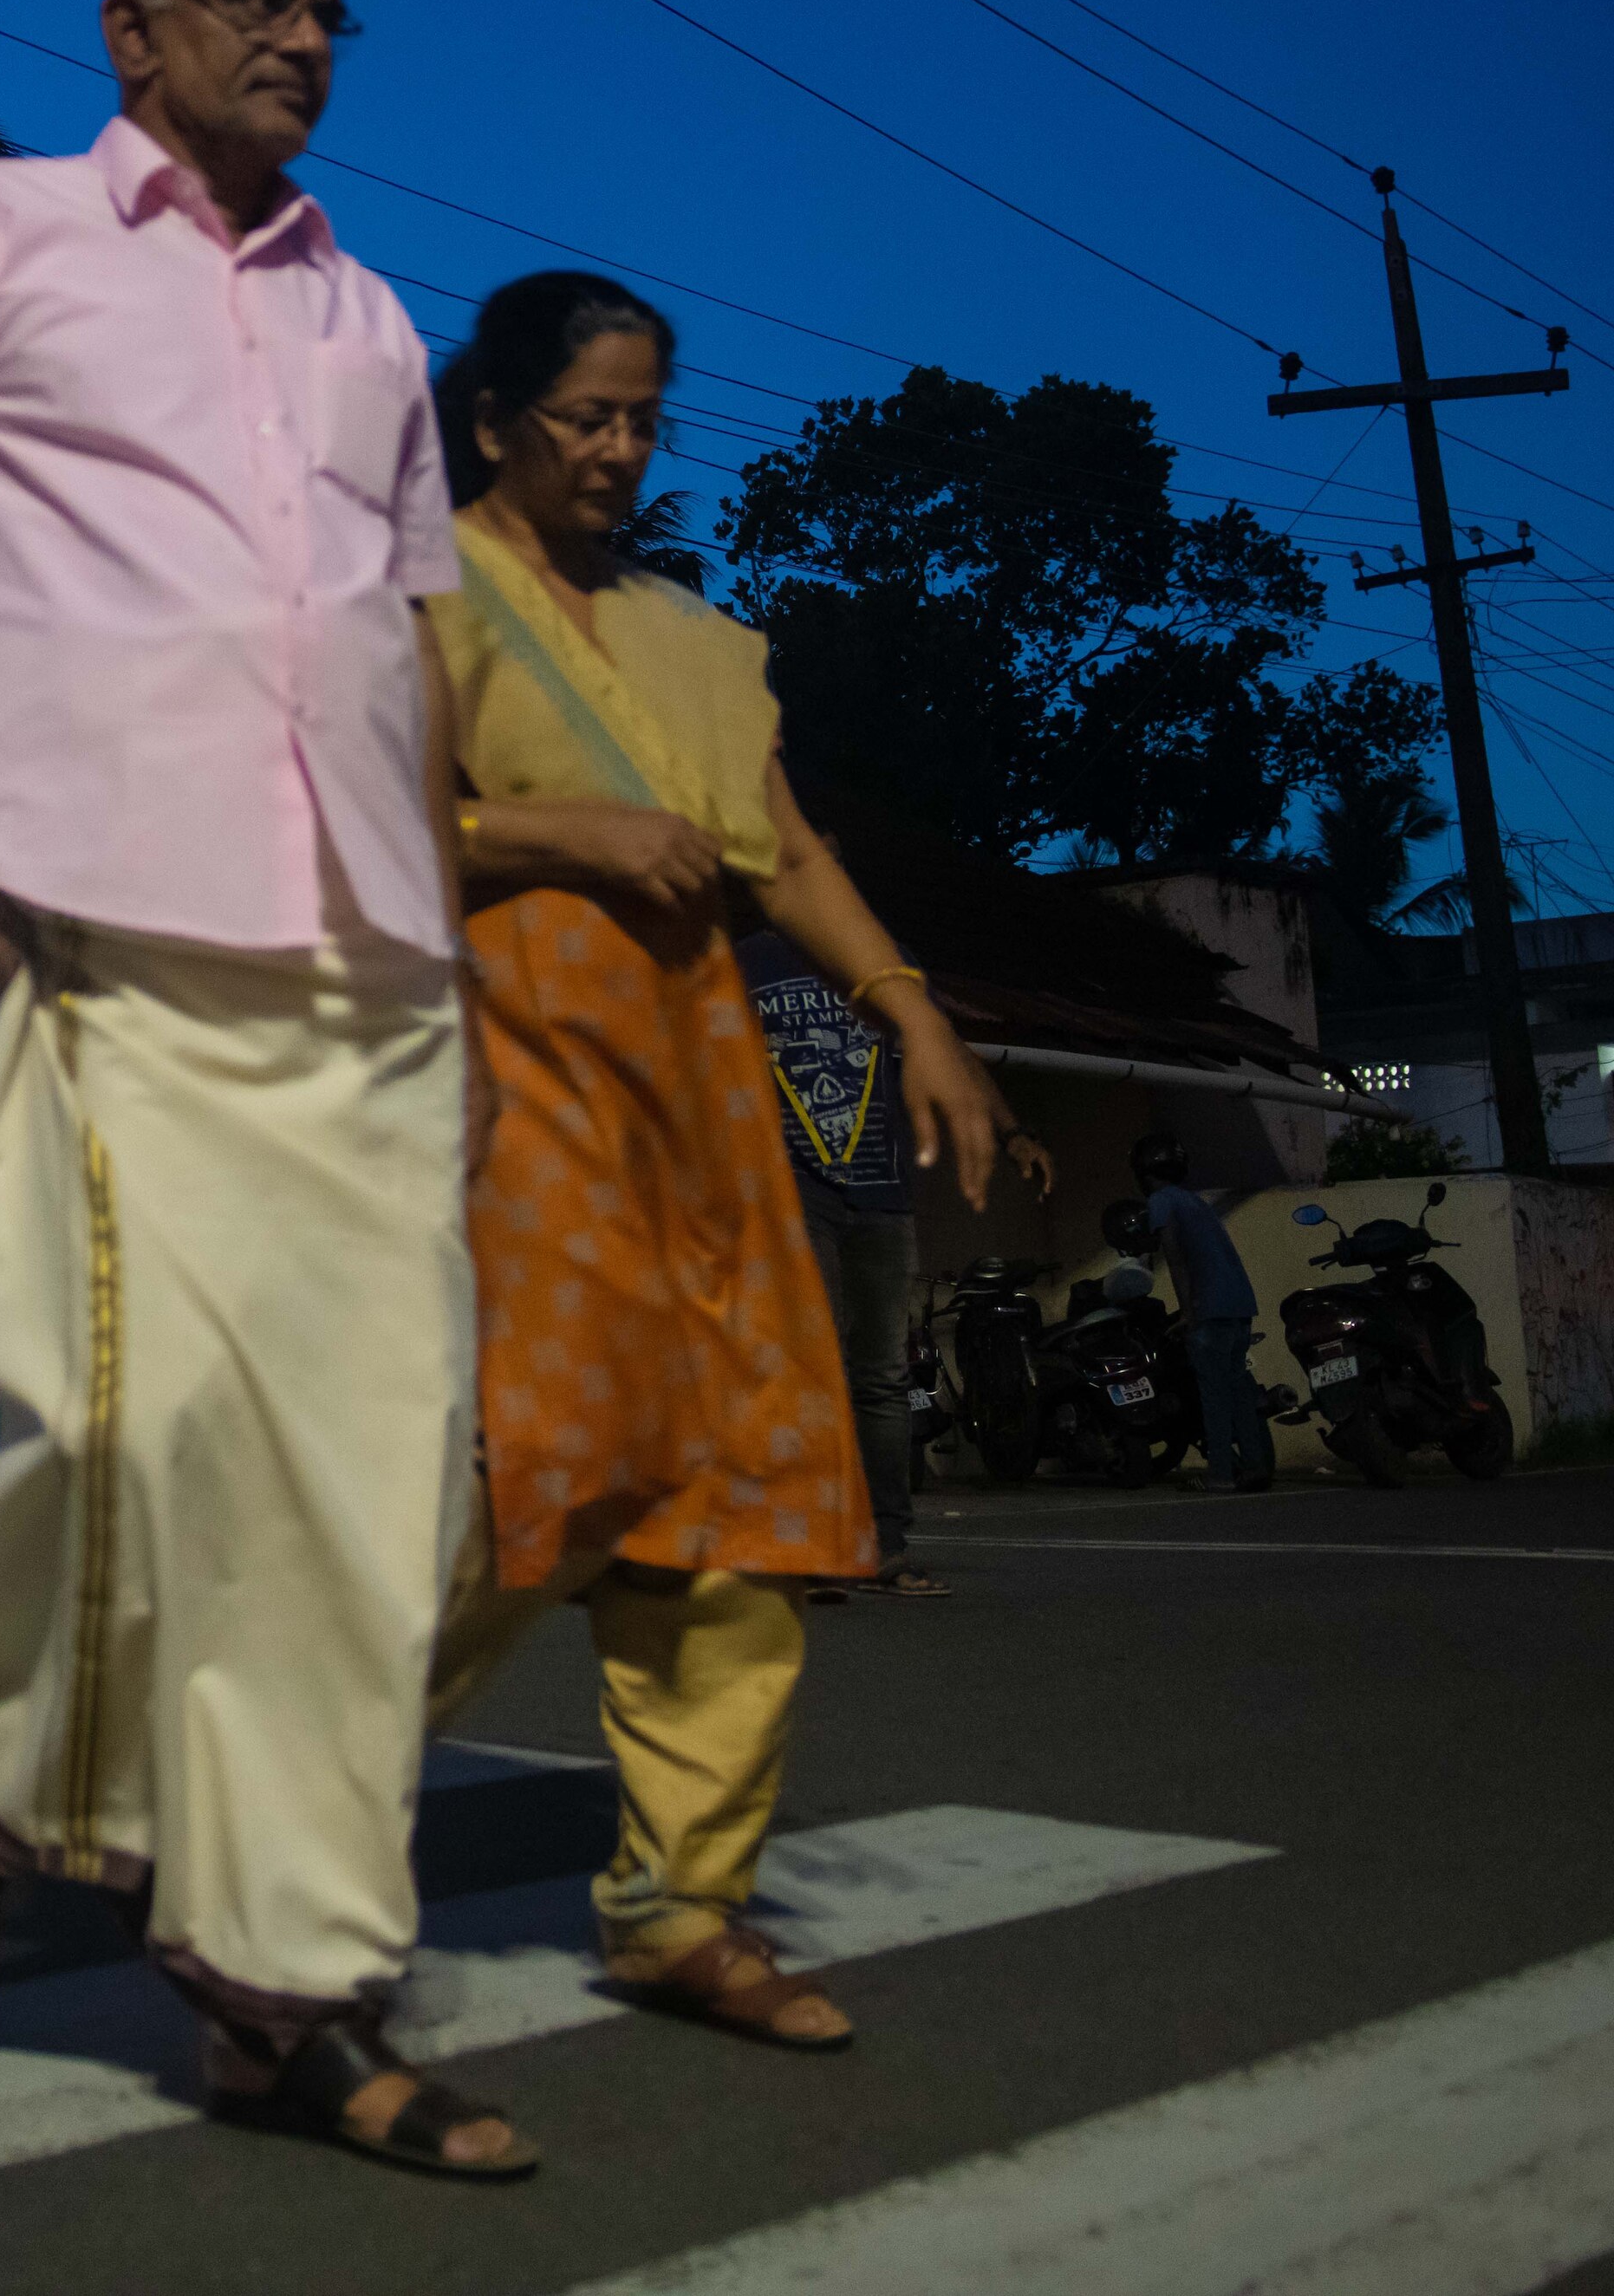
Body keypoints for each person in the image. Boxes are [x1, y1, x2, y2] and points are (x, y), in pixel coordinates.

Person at [0, 0, 530, 2179]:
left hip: (367, 958)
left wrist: (458, 955)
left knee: (368, 1488)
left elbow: (406, 656)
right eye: (252, 0)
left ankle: (286, 1980)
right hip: (110, 911)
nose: (302, 37)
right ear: (130, 31)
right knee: (126, 1431)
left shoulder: (376, 321)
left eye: (330, 10)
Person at [418, 269, 1014, 2056]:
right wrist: (553, 827)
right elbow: (333, 820)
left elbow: (787, 852)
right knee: (519, 1483)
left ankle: (682, 1907)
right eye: (585, 416)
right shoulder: (410, 594)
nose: (616, 450)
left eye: (639, 421)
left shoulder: (691, 637)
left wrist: (912, 1009)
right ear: (493, 419)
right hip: (505, 1087)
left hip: (695, 1112)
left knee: (727, 1505)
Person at [735, 929, 1052, 1600]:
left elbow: (949, 1049)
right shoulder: (746, 961)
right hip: (793, 1195)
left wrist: (1014, 1132)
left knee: (879, 1374)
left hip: (883, 1195)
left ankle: (882, 1545)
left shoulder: (881, 957)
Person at [1136, 1134, 1273, 1490]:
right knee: (1239, 1390)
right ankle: (1256, 1468)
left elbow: (1176, 1259)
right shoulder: (1193, 1201)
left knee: (1213, 1395)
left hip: (1210, 1309)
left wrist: (1188, 1313)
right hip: (1239, 1304)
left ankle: (1220, 1475)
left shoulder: (1161, 1201)